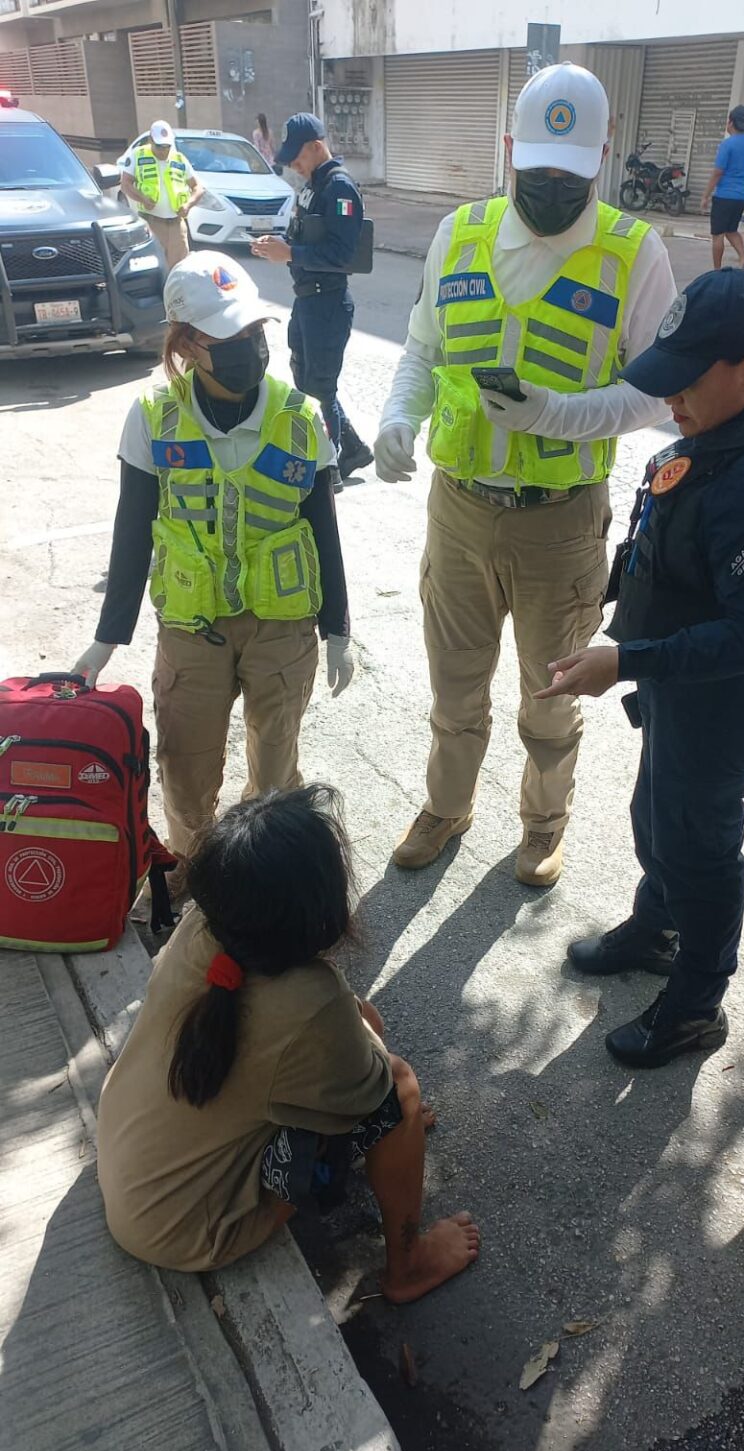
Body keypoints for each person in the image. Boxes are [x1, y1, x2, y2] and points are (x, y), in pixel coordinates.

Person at [538, 269, 744, 1068]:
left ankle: (695, 1007)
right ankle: (658, 928)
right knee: (658, 824)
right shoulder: (726, 433)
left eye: (689, 379)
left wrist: (627, 661)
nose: (671, 398)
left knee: (702, 852)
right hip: (676, 683)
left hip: (718, 702)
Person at [374, 63, 676, 887]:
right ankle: (446, 806)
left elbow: (657, 392)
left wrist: (553, 413)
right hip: (460, 509)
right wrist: (399, 418)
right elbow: (423, 351)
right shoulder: (460, 233)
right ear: (509, 149)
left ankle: (543, 825)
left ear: (603, 155)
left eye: (569, 177)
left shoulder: (632, 254)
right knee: (455, 686)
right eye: (535, 172)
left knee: (551, 699)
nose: (551, 189)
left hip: (560, 522)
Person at [97, 786, 481, 1297]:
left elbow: (343, 1022)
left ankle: (384, 1149)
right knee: (400, 1091)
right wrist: (374, 1085)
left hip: (130, 1172)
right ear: (318, 905)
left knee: (364, 1028)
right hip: (186, 1232)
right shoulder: (309, 1004)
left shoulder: (200, 928)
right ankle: (408, 1268)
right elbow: (375, 1071)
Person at [72, 252, 354, 902]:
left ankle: (264, 880)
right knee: (185, 770)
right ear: (186, 344)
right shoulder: (153, 417)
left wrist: (337, 626)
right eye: (226, 339)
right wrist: (107, 637)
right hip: (192, 631)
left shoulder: (302, 418)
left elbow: (323, 528)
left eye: (253, 332)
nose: (248, 349)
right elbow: (132, 530)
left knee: (276, 770)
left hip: (283, 628)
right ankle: (194, 878)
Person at [251, 113, 373, 489]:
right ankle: (351, 448)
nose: (294, 166)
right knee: (306, 382)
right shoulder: (313, 186)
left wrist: (290, 254)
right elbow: (303, 236)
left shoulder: (339, 189)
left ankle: (330, 468)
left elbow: (341, 254)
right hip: (306, 301)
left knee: (321, 387)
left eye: (298, 158)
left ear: (316, 147)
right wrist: (279, 246)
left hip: (327, 303)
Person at [121, 120, 203, 271]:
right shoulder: (137, 156)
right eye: (159, 146)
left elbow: (198, 188)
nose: (163, 150)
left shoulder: (179, 159)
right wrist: (142, 199)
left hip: (177, 225)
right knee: (152, 269)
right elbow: (125, 184)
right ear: (151, 140)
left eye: (167, 146)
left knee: (180, 270)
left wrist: (188, 205)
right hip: (151, 221)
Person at [701, 105, 744, 272]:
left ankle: (717, 270)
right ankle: (743, 257)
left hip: (724, 195)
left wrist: (705, 195)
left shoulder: (727, 145)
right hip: (741, 196)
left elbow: (718, 172)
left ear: (730, 122)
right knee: (731, 229)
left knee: (718, 234)